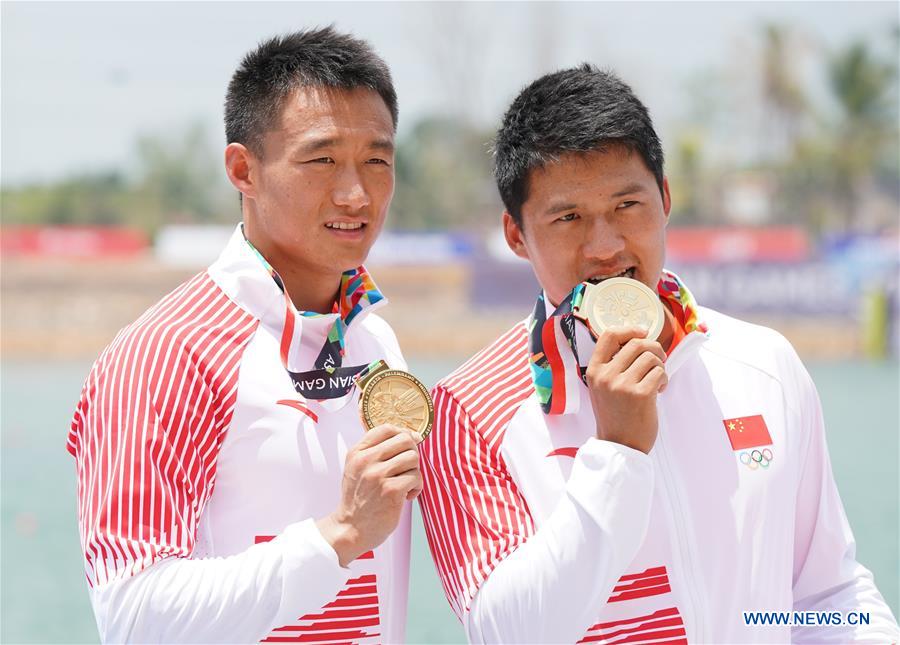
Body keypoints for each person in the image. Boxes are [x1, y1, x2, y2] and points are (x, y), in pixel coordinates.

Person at [418, 64, 899, 644]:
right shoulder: (465, 412)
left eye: (627, 205)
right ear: (516, 234)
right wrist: (617, 455)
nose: (605, 246)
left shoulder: (763, 364)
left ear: (665, 199)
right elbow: (507, 633)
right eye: (568, 217)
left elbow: (826, 595)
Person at [67, 27, 421, 643]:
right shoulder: (165, 353)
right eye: (322, 159)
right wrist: (339, 535)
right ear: (243, 169)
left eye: (376, 160)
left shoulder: (376, 342)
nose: (356, 193)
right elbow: (131, 616)